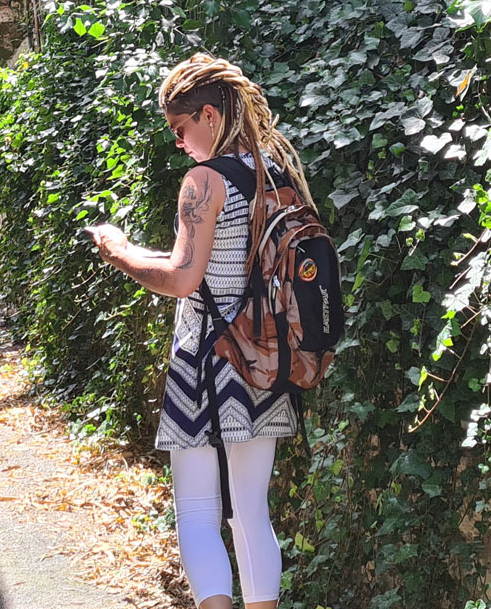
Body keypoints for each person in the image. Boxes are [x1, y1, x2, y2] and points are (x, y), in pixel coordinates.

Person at [85, 53, 315, 609]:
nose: (179, 142)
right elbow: (207, 264)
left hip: (206, 360)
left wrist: (117, 252)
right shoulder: (276, 175)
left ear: (209, 115)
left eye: (180, 128)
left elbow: (184, 278)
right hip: (265, 356)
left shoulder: (204, 181)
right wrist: (137, 250)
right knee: (252, 511)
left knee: (195, 510)